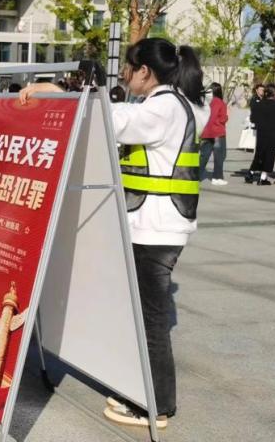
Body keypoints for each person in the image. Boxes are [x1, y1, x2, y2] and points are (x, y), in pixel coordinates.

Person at [22, 37, 208, 430]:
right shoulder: (176, 103)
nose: (124, 74)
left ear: (145, 71)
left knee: (151, 320)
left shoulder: (162, 108)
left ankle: (156, 406)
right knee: (144, 315)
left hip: (155, 229)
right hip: (159, 224)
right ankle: (142, 392)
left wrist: (58, 93)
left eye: (129, 67)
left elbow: (112, 118)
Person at [246, 84, 275, 185]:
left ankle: (251, 172)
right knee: (269, 155)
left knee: (259, 153)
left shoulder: (258, 105)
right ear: (274, 94)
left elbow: (252, 119)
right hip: (272, 133)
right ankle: (263, 178)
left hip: (261, 132)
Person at [199, 83, 228, 185]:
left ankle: (195, 175)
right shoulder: (220, 102)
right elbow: (222, 119)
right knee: (220, 156)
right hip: (217, 133)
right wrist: (226, 117)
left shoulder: (208, 103)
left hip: (207, 132)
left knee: (204, 155)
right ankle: (217, 177)